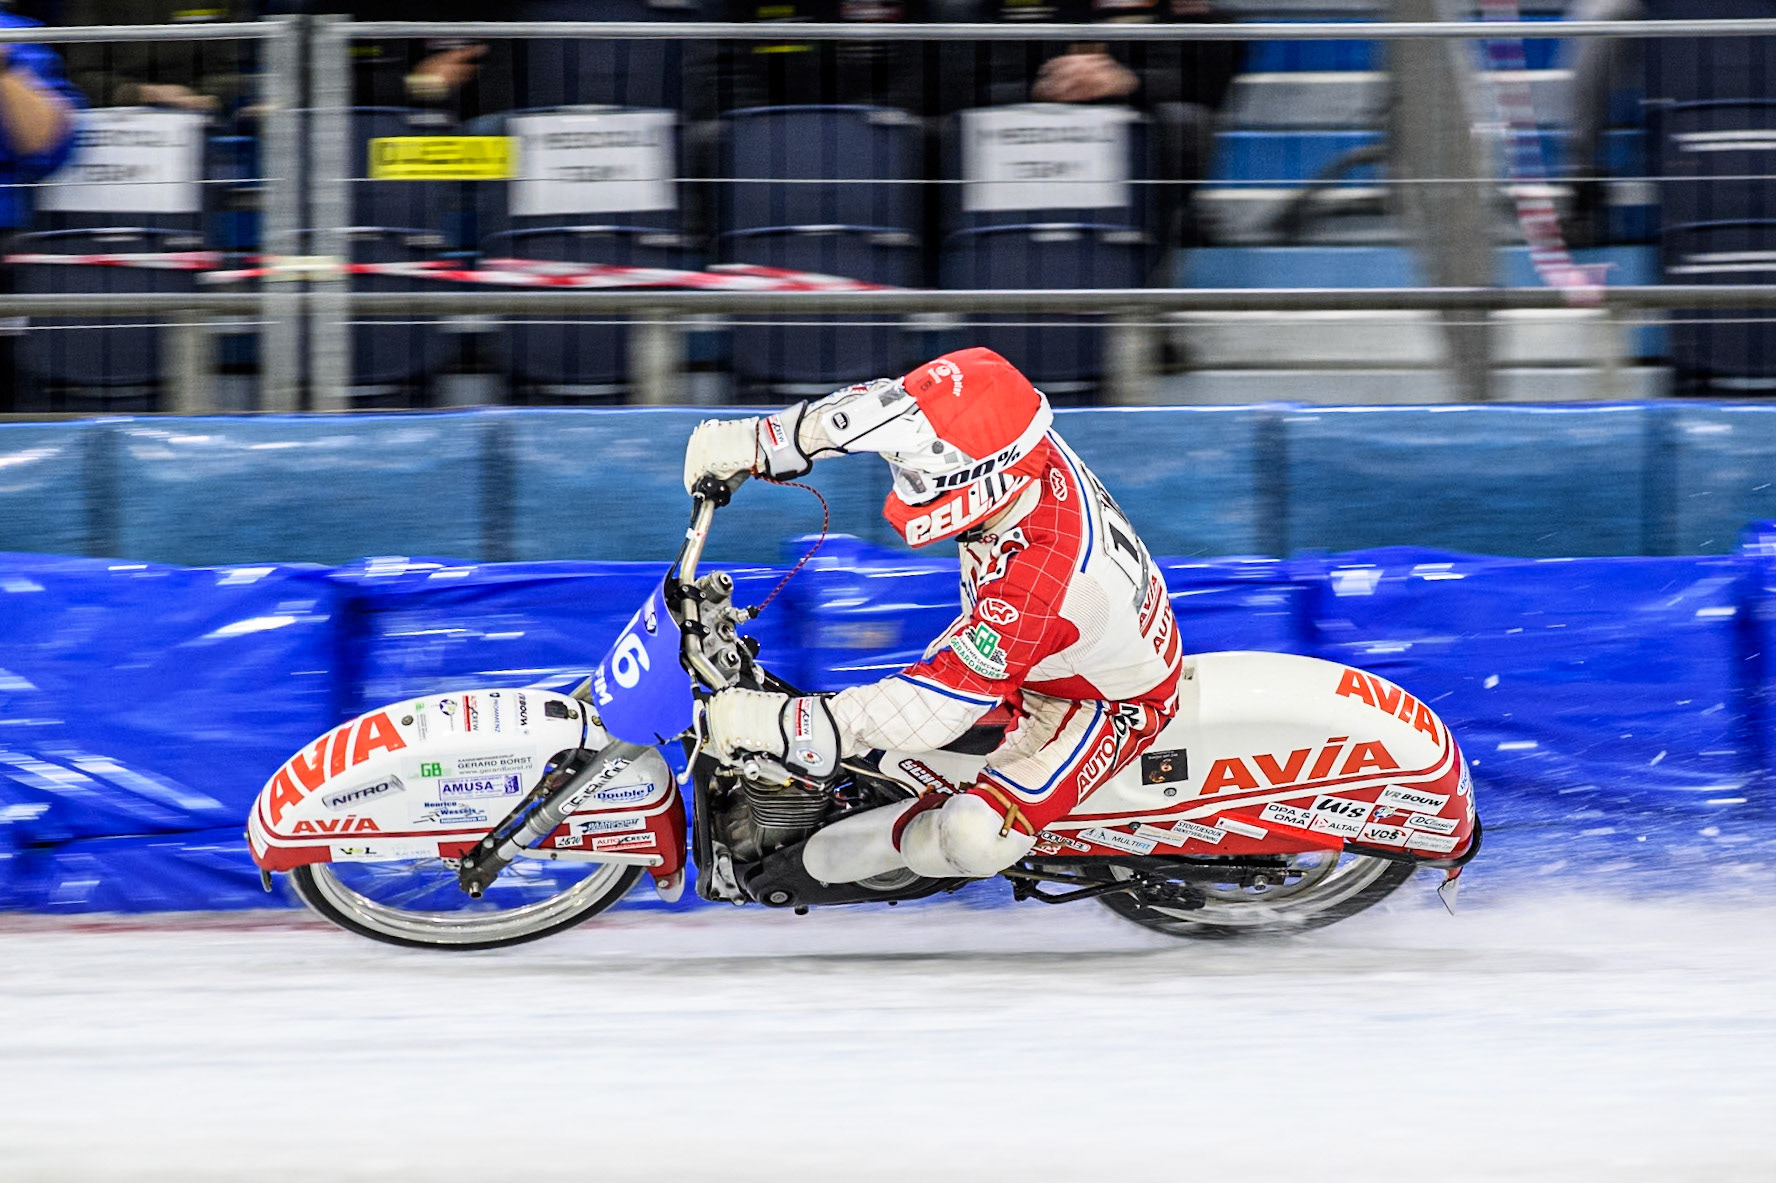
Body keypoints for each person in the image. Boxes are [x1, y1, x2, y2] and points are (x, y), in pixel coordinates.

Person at [680, 346, 1183, 883]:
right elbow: (888, 408)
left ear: (988, 479)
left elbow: (937, 707)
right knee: (880, 732)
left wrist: (785, 723)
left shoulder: (1040, 581)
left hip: (1093, 703)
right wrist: (760, 440)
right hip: (1056, 647)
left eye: (921, 476)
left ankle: (880, 852)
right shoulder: (1009, 425)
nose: (910, 479)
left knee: (970, 830)